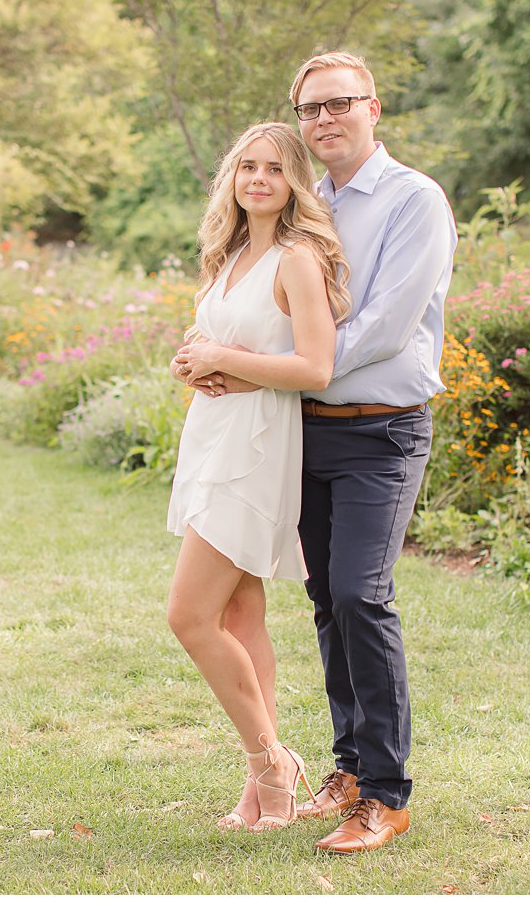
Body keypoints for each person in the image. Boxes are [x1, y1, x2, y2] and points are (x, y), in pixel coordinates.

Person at [183, 52, 456, 854]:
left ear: (374, 107)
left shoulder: (414, 201)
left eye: (340, 104)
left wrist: (267, 364)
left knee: (360, 592)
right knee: (326, 602)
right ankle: (345, 768)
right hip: (305, 429)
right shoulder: (310, 205)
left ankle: (386, 793)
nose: (325, 119)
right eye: (311, 109)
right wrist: (225, 353)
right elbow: (269, 318)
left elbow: (384, 325)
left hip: (382, 428)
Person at [165, 121, 351, 833]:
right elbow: (211, 342)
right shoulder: (232, 251)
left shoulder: (298, 259)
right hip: (212, 434)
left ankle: (273, 759)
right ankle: (260, 787)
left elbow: (315, 367)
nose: (259, 179)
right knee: (241, 617)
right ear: (233, 178)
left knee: (189, 615)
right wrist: (190, 362)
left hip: (258, 443)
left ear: (294, 181)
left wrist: (223, 360)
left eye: (274, 168)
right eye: (248, 167)